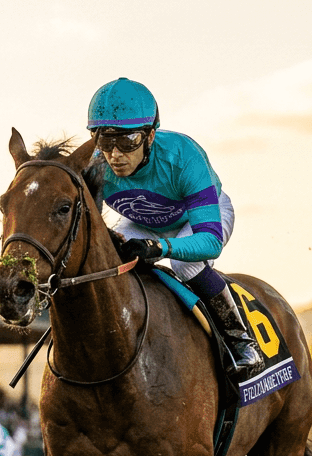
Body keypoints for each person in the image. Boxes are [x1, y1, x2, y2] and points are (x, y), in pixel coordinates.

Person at [87, 77, 265, 377]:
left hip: (201, 218)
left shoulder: (183, 157)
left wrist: (161, 248)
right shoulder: (97, 166)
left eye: (127, 142)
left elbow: (210, 242)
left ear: (150, 136)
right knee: (113, 260)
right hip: (143, 222)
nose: (115, 155)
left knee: (184, 265)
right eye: (105, 142)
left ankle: (242, 342)